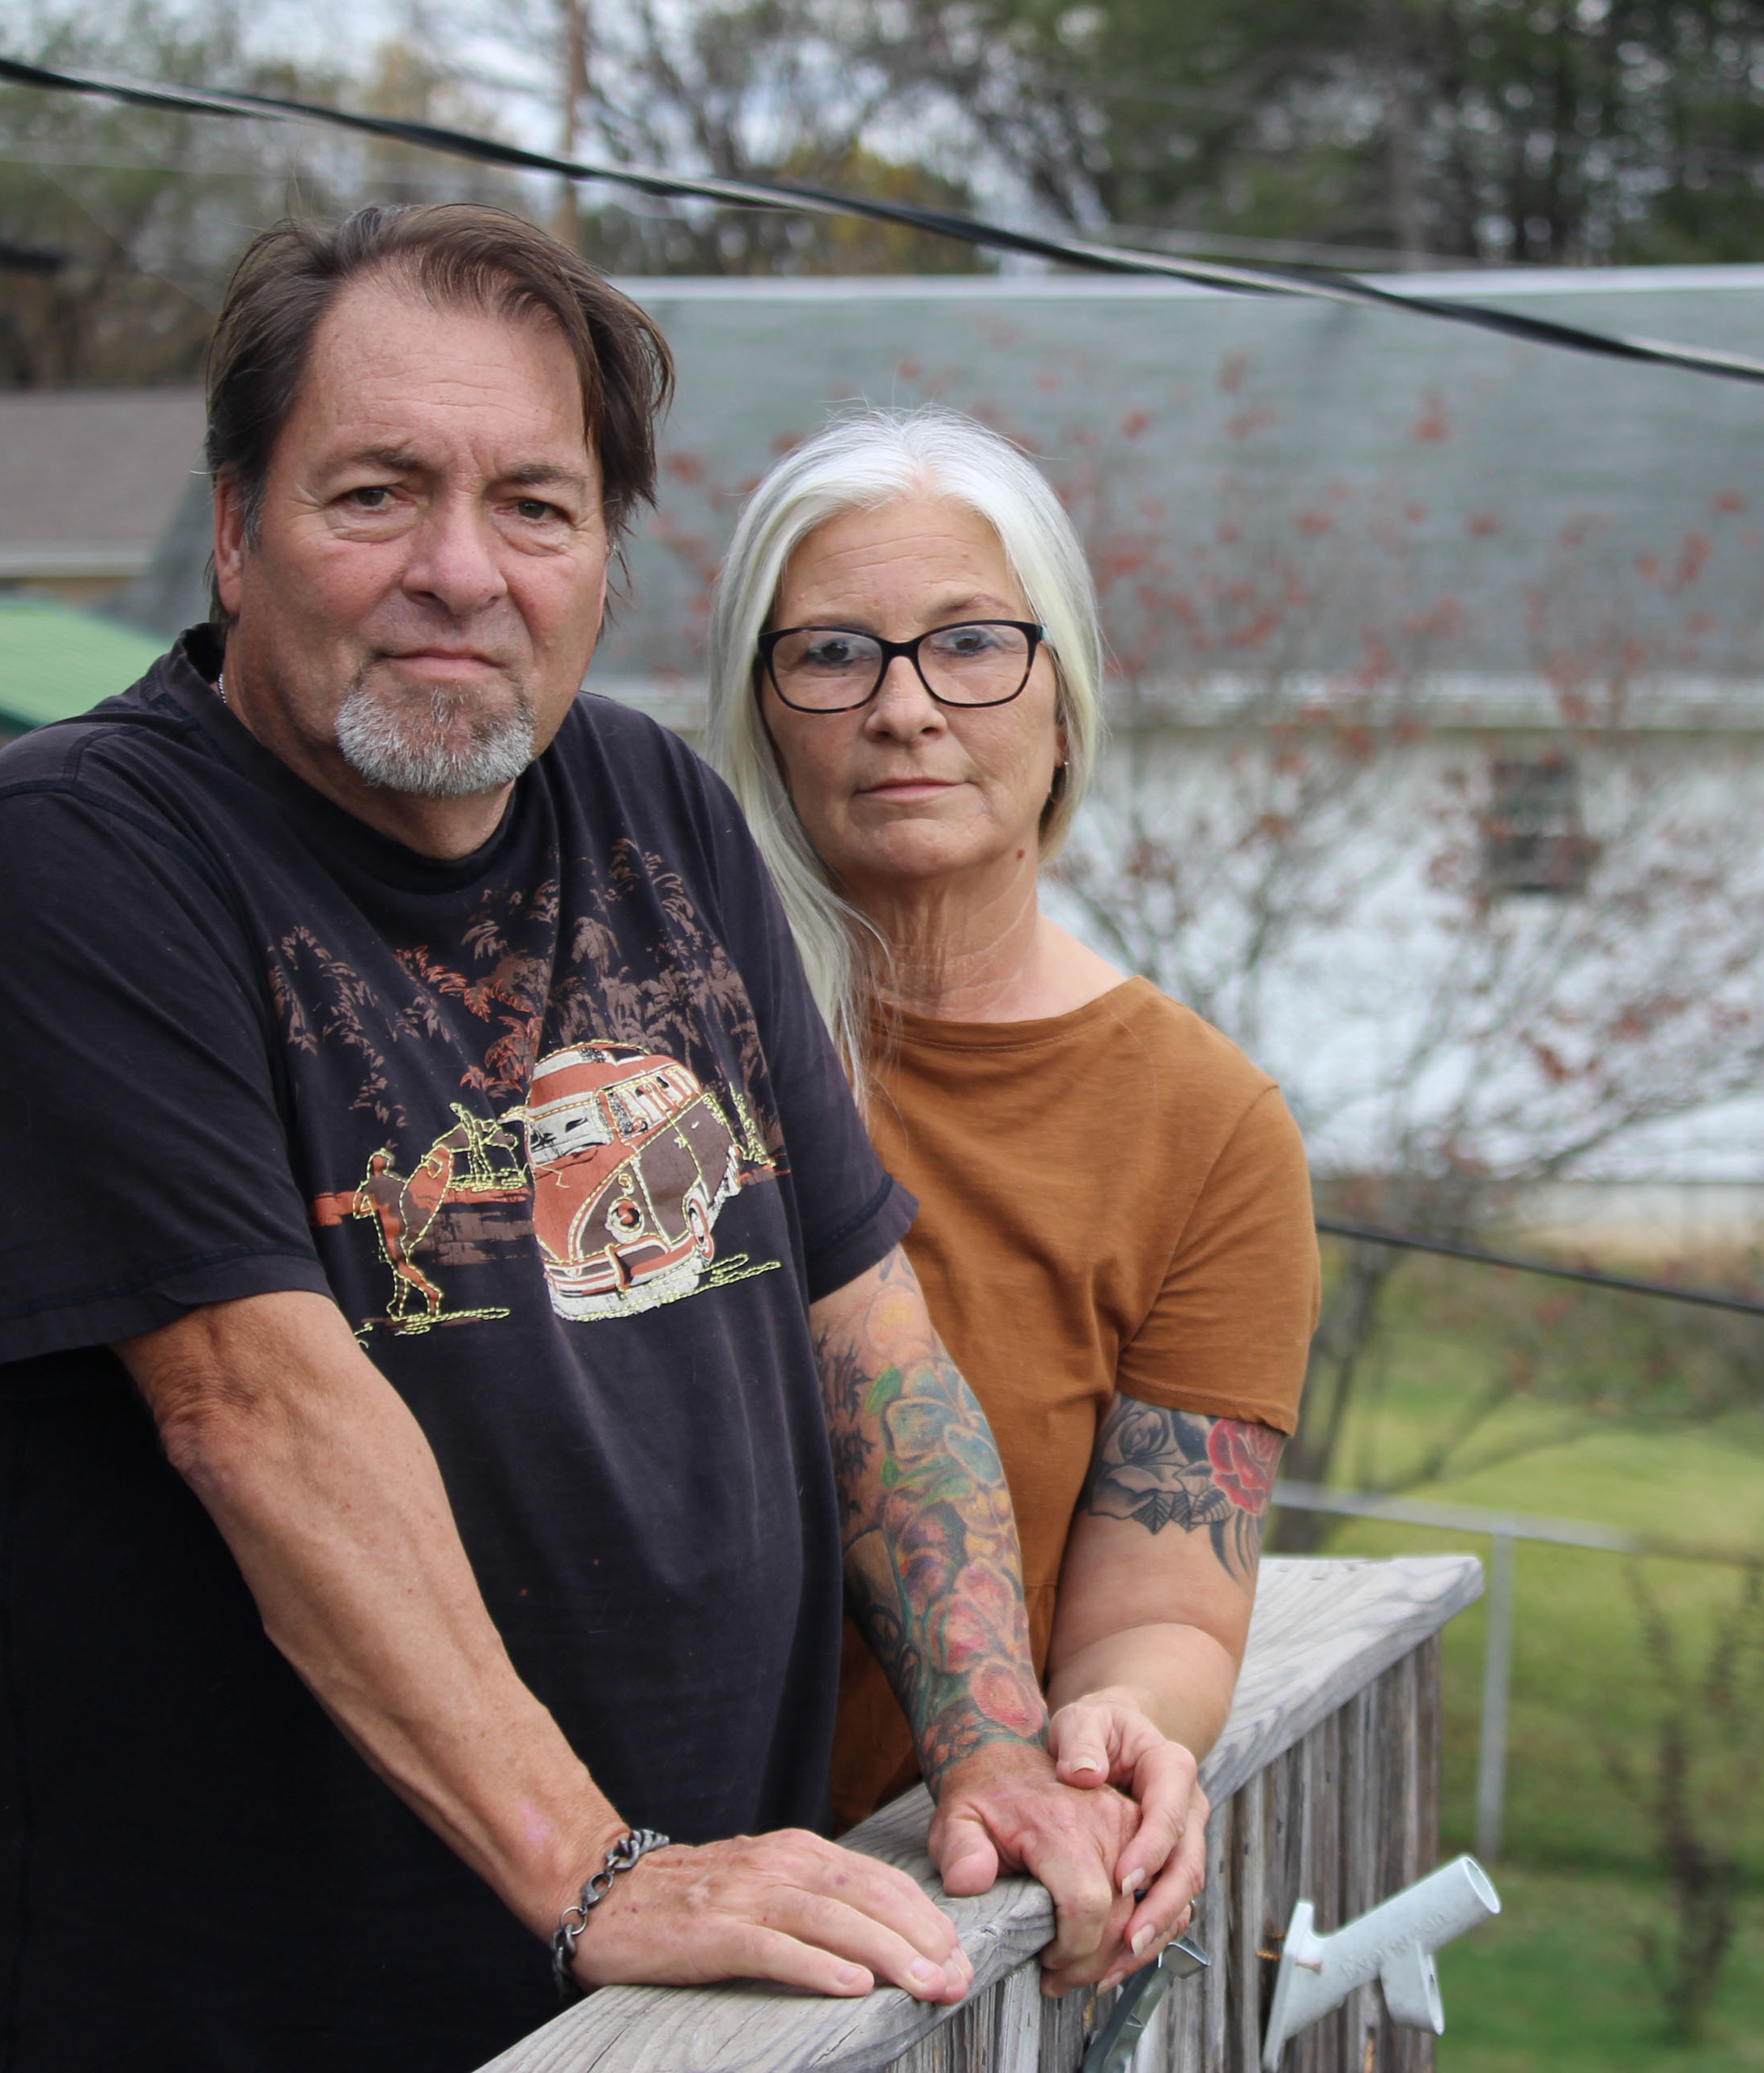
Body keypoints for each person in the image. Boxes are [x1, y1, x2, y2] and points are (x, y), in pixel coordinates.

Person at [0, 204, 1146, 2072]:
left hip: (678, 2019)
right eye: (376, 494)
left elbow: (864, 1325)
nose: (463, 568)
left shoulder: (655, 803)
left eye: (535, 503)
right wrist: (594, 1869)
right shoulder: (75, 863)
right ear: (233, 525)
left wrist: (990, 1732)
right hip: (241, 2017)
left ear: (603, 553)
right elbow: (255, 1407)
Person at [698, 407, 1321, 1966]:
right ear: (761, 709)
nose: (904, 707)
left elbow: (1167, 1605)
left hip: (925, 1933)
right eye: (833, 653)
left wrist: (1116, 1733)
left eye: (971, 644)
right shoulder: (651, 1037)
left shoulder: (1206, 1128)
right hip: (579, 1896)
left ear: (1063, 698)